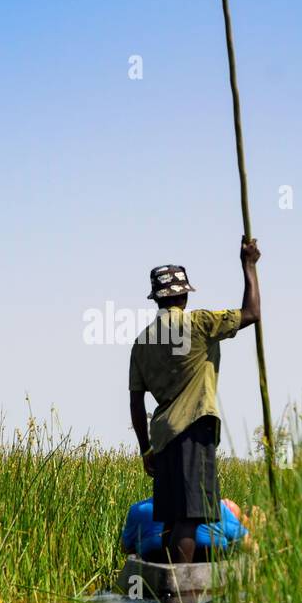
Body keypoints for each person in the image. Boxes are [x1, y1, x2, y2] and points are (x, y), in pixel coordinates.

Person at [128, 237, 261, 563]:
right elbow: (252, 313)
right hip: (192, 431)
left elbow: (135, 401)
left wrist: (145, 448)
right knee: (190, 519)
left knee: (173, 518)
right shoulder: (199, 323)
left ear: (157, 299)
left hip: (162, 438)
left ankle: (167, 584)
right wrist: (250, 266)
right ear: (184, 295)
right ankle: (180, 593)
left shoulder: (142, 341)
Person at [121, 497, 250, 562]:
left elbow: (126, 548)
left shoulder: (138, 511)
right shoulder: (219, 508)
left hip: (155, 577)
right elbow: (249, 545)